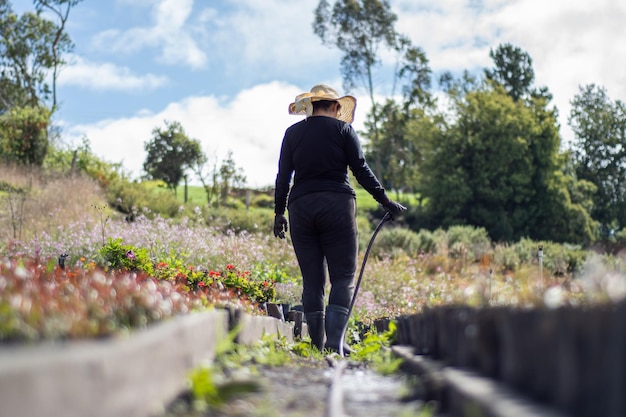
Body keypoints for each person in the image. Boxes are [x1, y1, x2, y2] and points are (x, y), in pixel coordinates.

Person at [273, 84, 406, 353]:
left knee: (312, 281)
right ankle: (335, 343)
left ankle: (317, 345)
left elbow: (283, 177)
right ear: (335, 107)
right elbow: (361, 170)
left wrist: (278, 213)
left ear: (310, 106)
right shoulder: (343, 130)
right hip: (337, 206)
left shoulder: (292, 133)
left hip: (301, 207)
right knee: (343, 276)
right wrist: (385, 201)